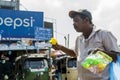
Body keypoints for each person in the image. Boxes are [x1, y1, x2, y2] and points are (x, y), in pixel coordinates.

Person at [52, 9, 119, 80]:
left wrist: (102, 53)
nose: (73, 24)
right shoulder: (79, 39)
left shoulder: (103, 34)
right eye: (73, 21)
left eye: (76, 20)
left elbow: (117, 57)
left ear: (86, 20)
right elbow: (75, 54)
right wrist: (60, 47)